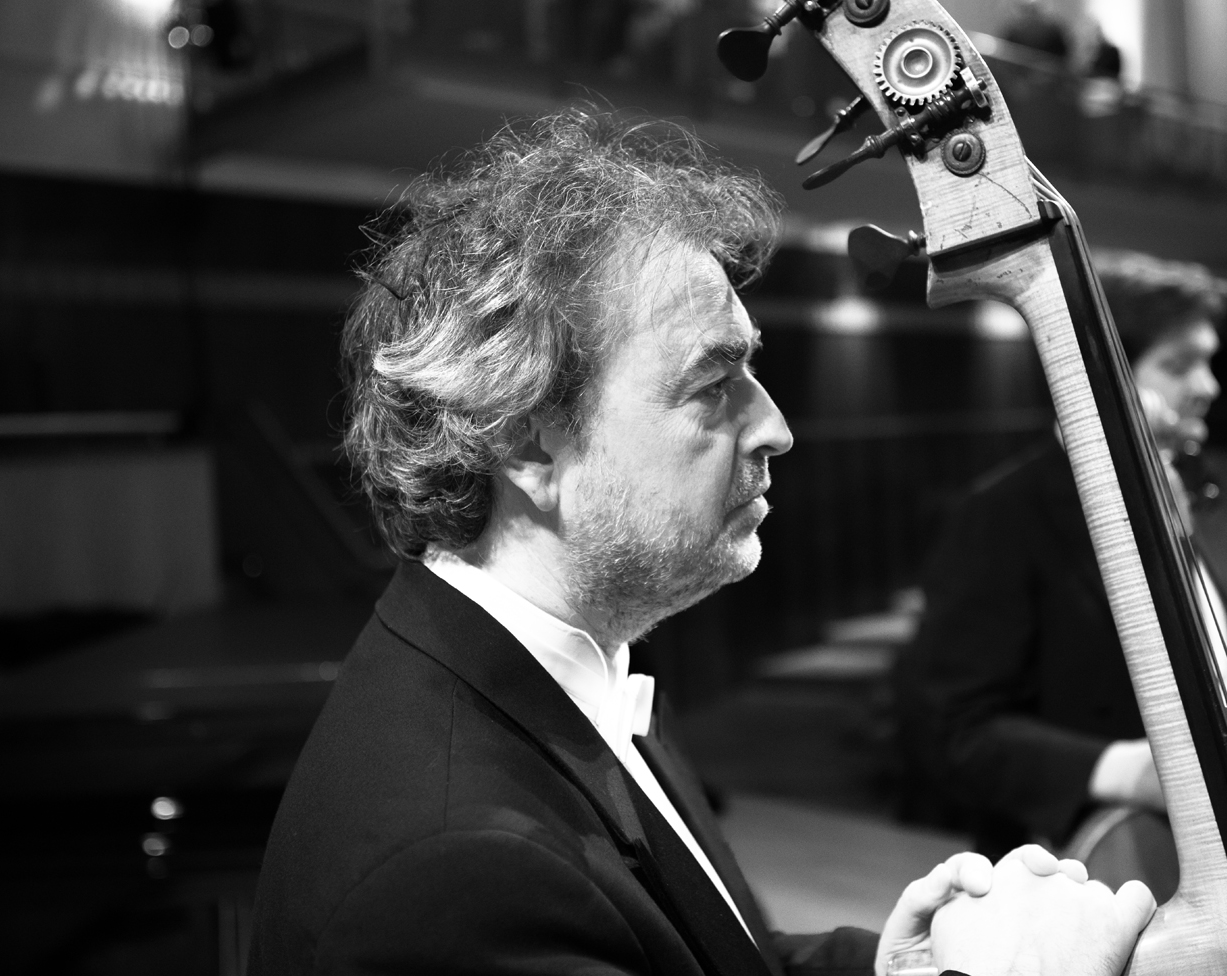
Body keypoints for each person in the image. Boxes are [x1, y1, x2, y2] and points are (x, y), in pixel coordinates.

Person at [246, 110, 1156, 976]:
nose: (776, 428)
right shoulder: (454, 874)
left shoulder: (574, 664)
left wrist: (899, 967)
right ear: (526, 445)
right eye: (713, 384)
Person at [892, 251, 1227, 858]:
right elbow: (952, 732)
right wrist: (1125, 770)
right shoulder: (1002, 515)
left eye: (1208, 363)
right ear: (1098, 374)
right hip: (1077, 865)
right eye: (1179, 365)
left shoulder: (1174, 496)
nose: (1208, 387)